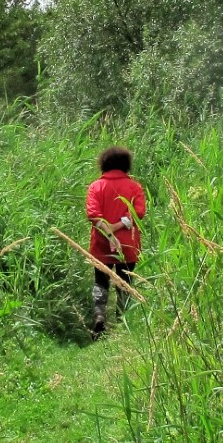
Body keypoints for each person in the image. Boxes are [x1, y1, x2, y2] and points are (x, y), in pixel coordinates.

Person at [86, 145, 146, 338]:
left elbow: (93, 215)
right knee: (125, 283)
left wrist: (109, 230)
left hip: (101, 244)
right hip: (128, 246)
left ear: (103, 164)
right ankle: (122, 323)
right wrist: (119, 225)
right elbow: (138, 212)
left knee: (100, 282)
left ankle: (100, 316)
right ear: (126, 165)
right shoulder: (134, 187)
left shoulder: (96, 187)